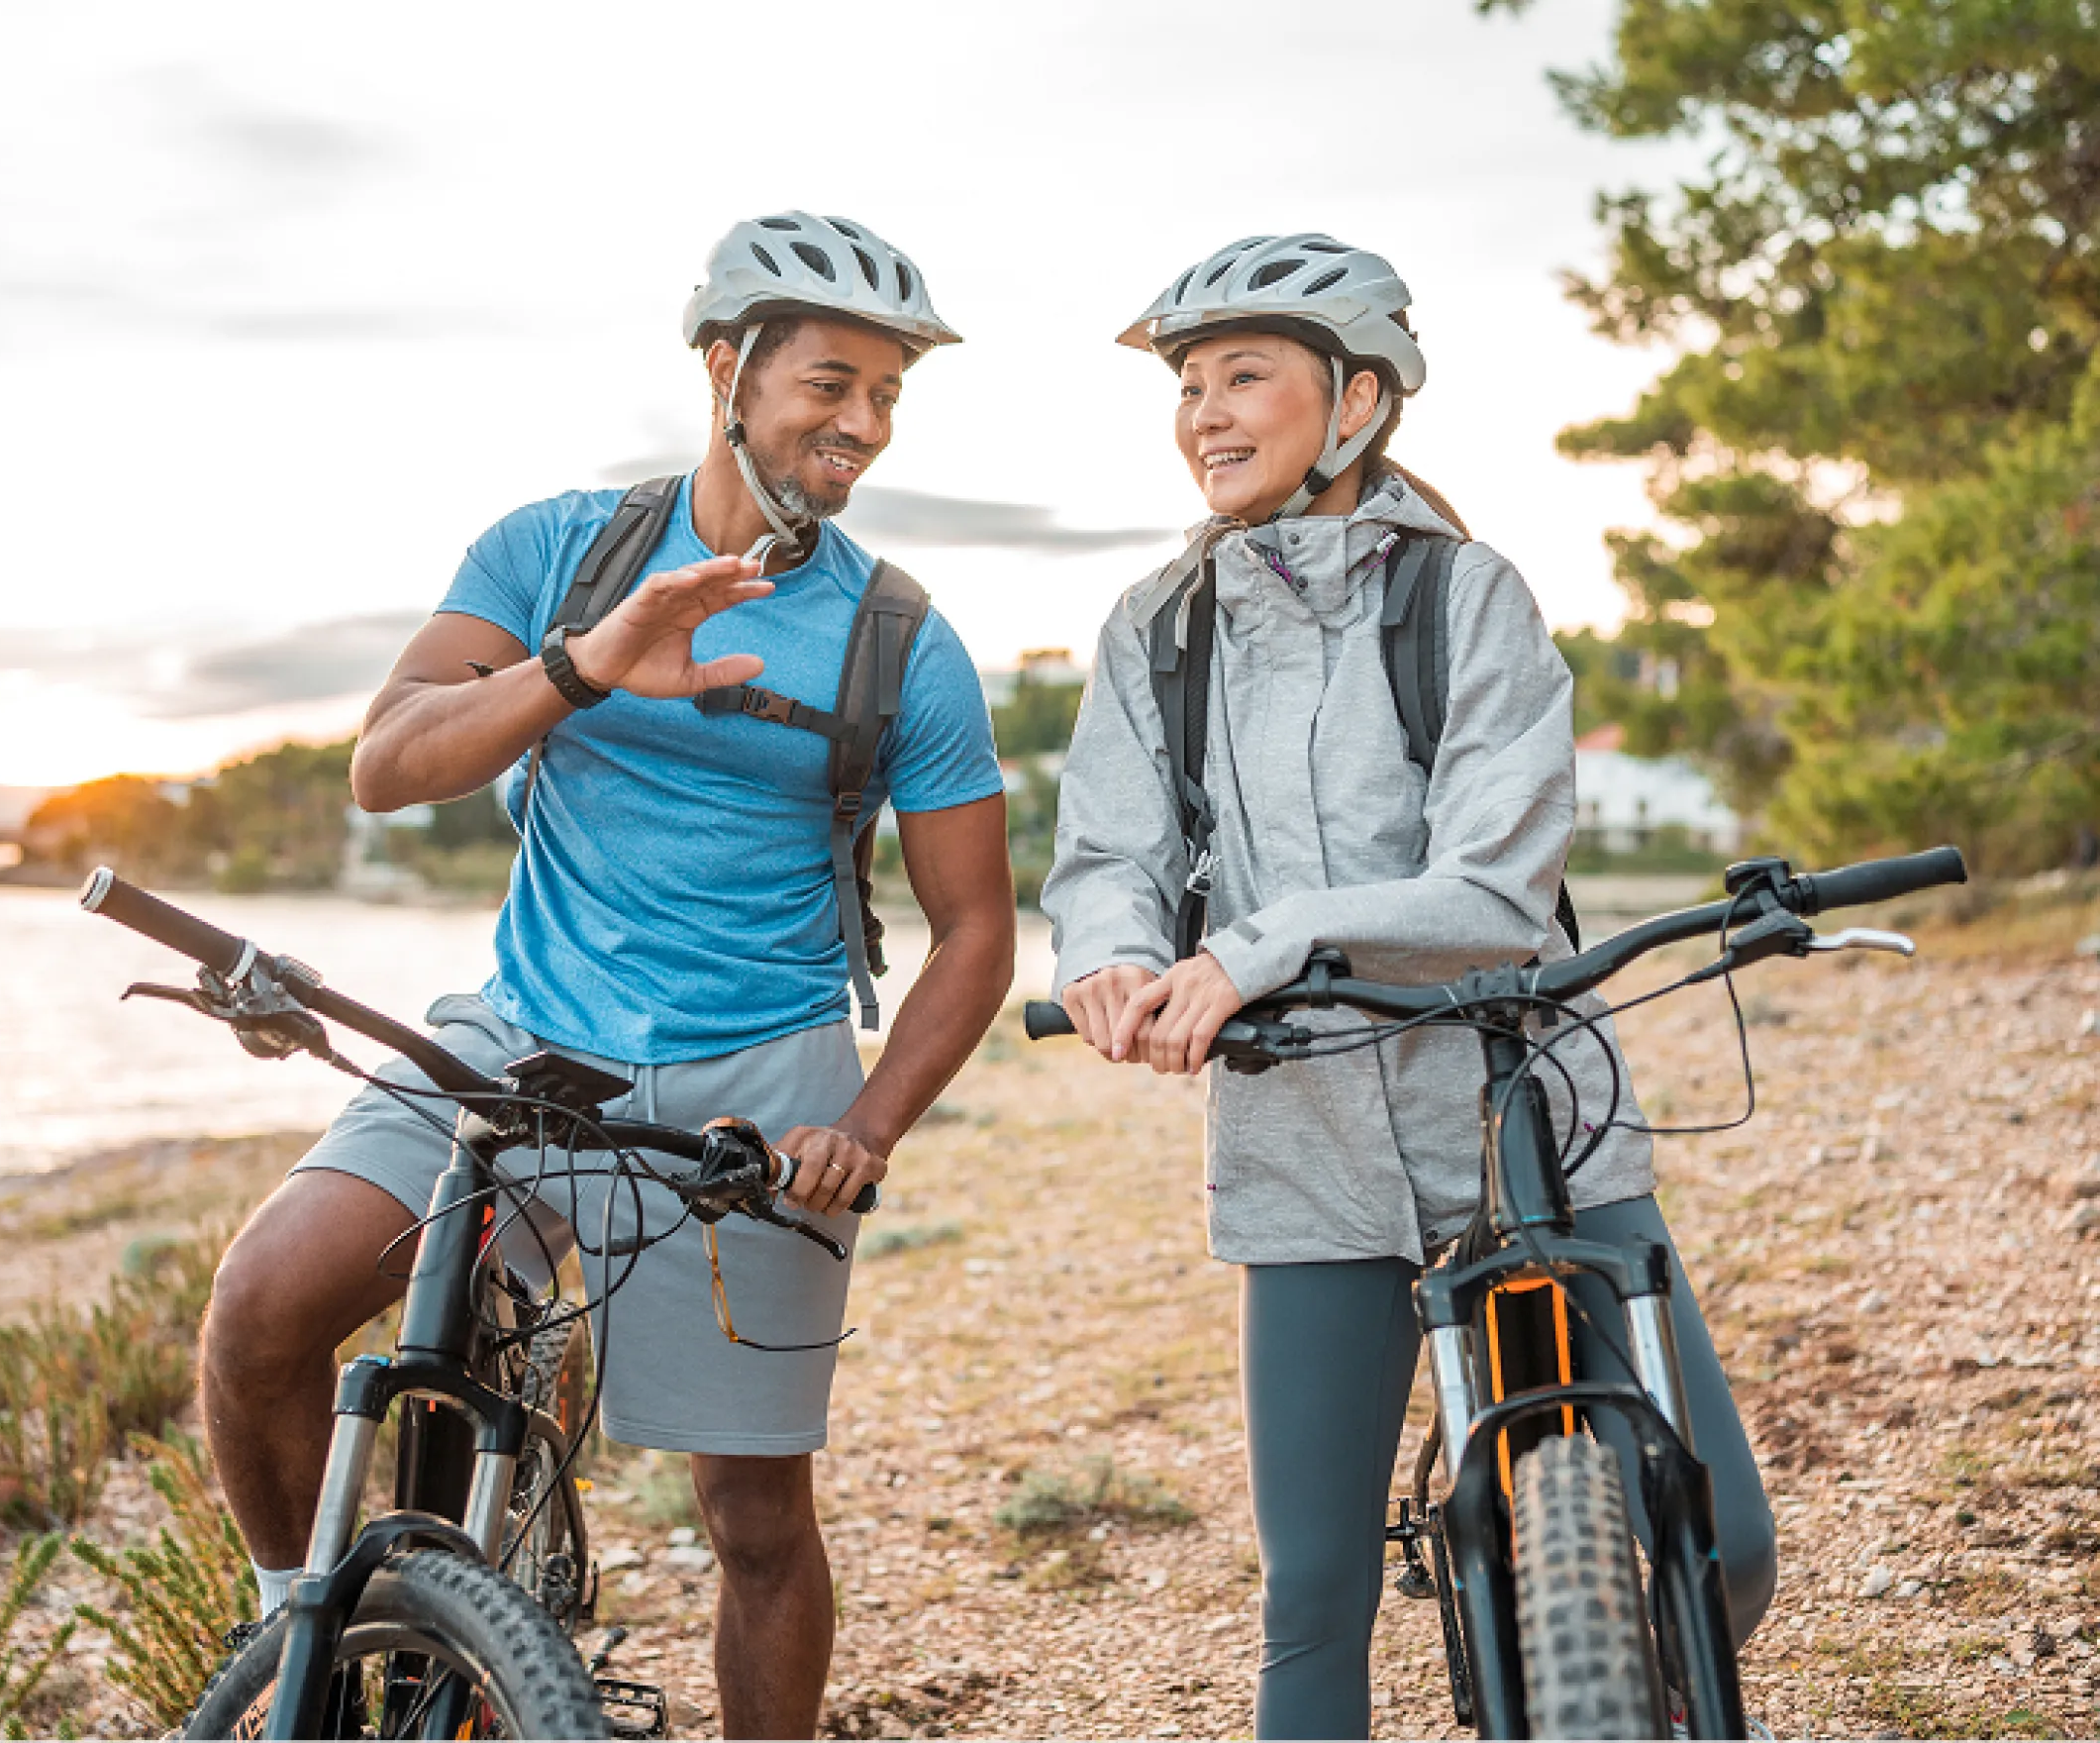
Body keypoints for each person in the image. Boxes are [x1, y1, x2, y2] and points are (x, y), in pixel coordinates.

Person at [201, 213, 1015, 1739]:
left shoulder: (903, 639)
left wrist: (869, 1128)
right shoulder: (551, 550)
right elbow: (386, 764)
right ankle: (320, 1648)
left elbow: (975, 928)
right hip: (518, 1039)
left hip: (759, 1077)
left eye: (887, 396)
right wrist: (584, 660)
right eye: (830, 382)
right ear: (726, 367)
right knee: (261, 1311)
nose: (861, 425)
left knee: (755, 1519)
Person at [1041, 234, 1775, 1739]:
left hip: (1526, 1124)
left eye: (1247, 375)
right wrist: (1111, 953)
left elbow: (1494, 890)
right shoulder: (1154, 629)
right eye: (1189, 385)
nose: (1206, 413)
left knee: (1731, 1543)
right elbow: (1109, 849)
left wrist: (1255, 948)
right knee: (1312, 1601)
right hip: (1301, 1152)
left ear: (1360, 397)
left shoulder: (1466, 599)